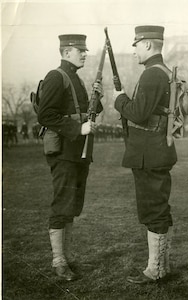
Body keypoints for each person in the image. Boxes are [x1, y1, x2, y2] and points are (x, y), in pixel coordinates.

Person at [113, 25, 177, 284]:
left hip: (149, 154)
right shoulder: (161, 71)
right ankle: (162, 267)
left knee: (154, 210)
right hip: (154, 152)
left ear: (148, 45)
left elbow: (138, 113)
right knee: (158, 208)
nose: (134, 51)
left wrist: (119, 99)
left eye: (136, 45)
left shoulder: (152, 74)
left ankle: (156, 270)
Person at [38, 34, 103, 281]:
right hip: (64, 152)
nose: (84, 54)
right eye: (79, 50)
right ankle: (58, 261)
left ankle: (65, 257)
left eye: (85, 50)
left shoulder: (77, 79)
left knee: (73, 206)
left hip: (79, 153)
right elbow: (46, 115)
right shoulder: (57, 76)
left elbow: (87, 114)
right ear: (65, 53)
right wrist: (78, 129)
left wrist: (99, 97)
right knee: (62, 205)